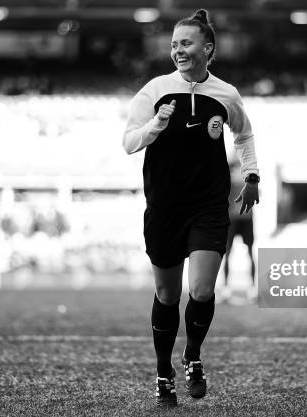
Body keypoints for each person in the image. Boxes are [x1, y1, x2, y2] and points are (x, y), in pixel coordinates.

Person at [122, 9, 259, 407]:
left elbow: (244, 134)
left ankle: (193, 357)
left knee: (200, 289)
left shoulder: (226, 94)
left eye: (185, 43)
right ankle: (164, 372)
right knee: (167, 295)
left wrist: (252, 177)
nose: (177, 50)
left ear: (207, 48)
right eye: (174, 45)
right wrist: (155, 126)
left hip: (208, 206)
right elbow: (129, 142)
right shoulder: (154, 90)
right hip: (164, 207)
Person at [221, 158, 256, 303]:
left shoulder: (246, 179)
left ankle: (251, 289)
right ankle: (227, 289)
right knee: (229, 253)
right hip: (234, 219)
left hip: (244, 218)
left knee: (247, 253)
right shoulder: (229, 180)